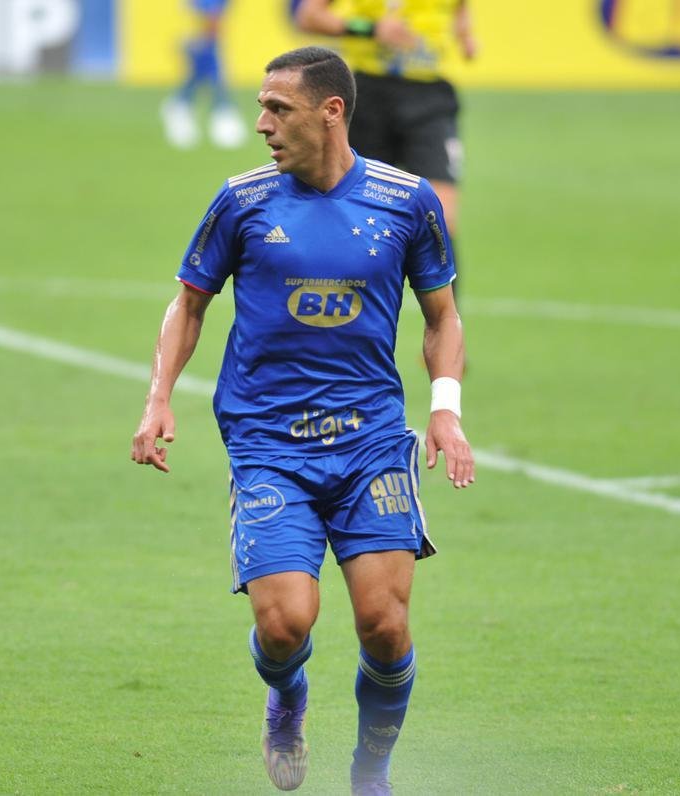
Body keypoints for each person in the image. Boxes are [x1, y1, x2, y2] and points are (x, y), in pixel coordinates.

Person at [132, 46, 475, 794]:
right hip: (269, 444)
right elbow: (189, 303)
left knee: (385, 626)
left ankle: (370, 772)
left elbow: (442, 317)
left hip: (370, 443)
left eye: (277, 109)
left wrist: (445, 410)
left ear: (331, 112)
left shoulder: (406, 201)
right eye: (261, 107)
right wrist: (158, 396)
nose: (261, 123)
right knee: (285, 625)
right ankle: (287, 698)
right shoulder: (242, 201)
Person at [292, 1, 478, 235]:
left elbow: (460, 7)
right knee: (357, 214)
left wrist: (465, 33)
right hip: (369, 96)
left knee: (439, 218)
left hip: (429, 96)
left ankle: (430, 260)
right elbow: (308, 17)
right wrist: (371, 29)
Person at [161, 0, 248, 150]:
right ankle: (221, 110)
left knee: (207, 57)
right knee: (210, 57)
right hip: (199, 27)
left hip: (204, 26)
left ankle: (182, 103)